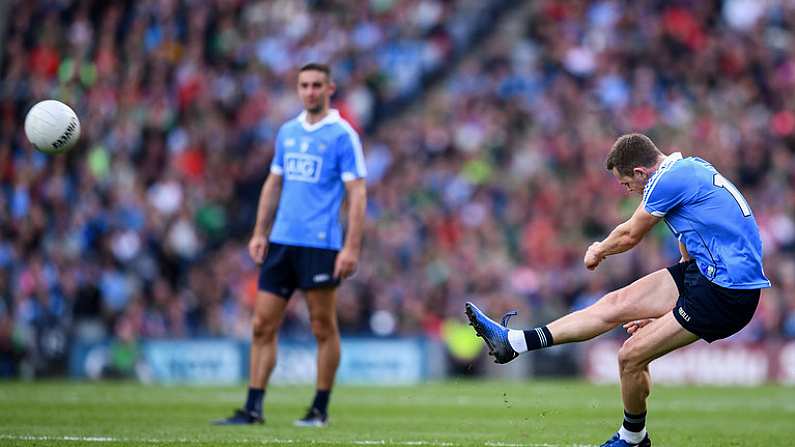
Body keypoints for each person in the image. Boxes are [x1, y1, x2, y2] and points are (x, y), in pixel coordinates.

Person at [466, 133, 770, 446]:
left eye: (626, 184)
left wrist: (598, 250)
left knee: (630, 357)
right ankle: (514, 342)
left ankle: (633, 438)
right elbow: (693, 234)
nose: (628, 191)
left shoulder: (666, 181)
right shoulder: (690, 169)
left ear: (640, 172)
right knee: (615, 303)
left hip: (726, 290)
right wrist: (670, 308)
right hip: (709, 274)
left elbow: (629, 235)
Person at [215, 63, 367, 427]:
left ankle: (319, 409)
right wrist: (258, 232)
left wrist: (351, 248)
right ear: (298, 89)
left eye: (317, 85)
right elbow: (273, 183)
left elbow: (357, 193)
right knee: (261, 325)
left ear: (330, 88)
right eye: (304, 85)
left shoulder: (342, 135)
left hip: (319, 244)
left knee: (322, 327)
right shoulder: (287, 132)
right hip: (282, 242)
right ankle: (253, 408)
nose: (310, 91)